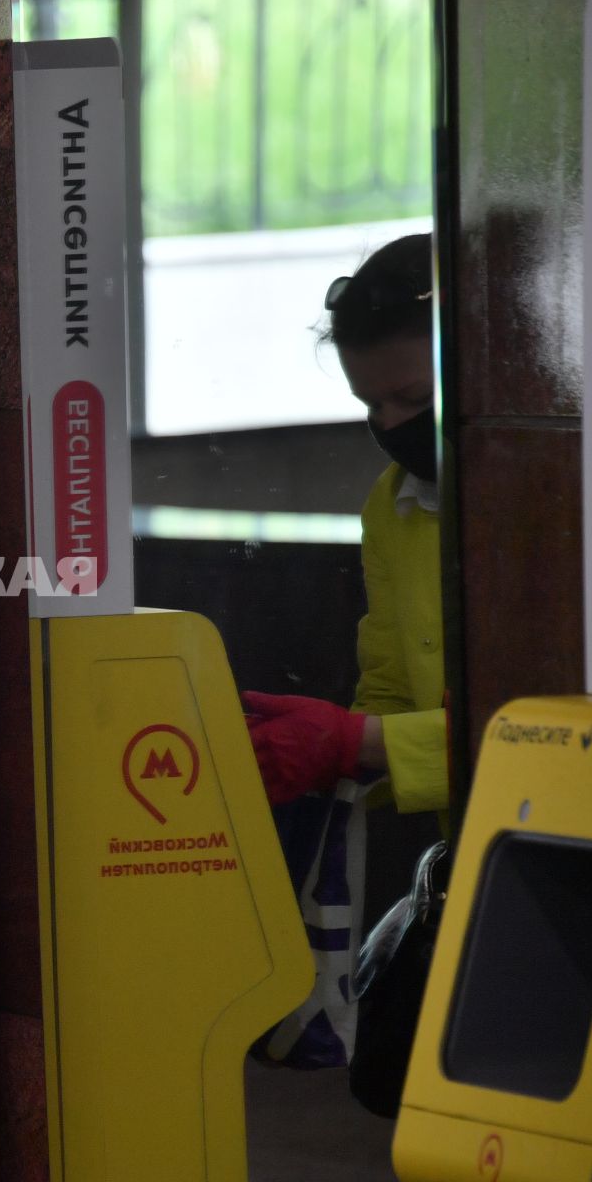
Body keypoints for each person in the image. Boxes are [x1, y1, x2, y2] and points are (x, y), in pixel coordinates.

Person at [243, 233, 447, 817]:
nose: (393, 423)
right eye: (372, 405)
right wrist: (336, 751)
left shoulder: (551, 501)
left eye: (415, 397)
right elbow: (388, 684)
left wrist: (352, 741)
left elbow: (550, 725)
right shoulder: (393, 505)